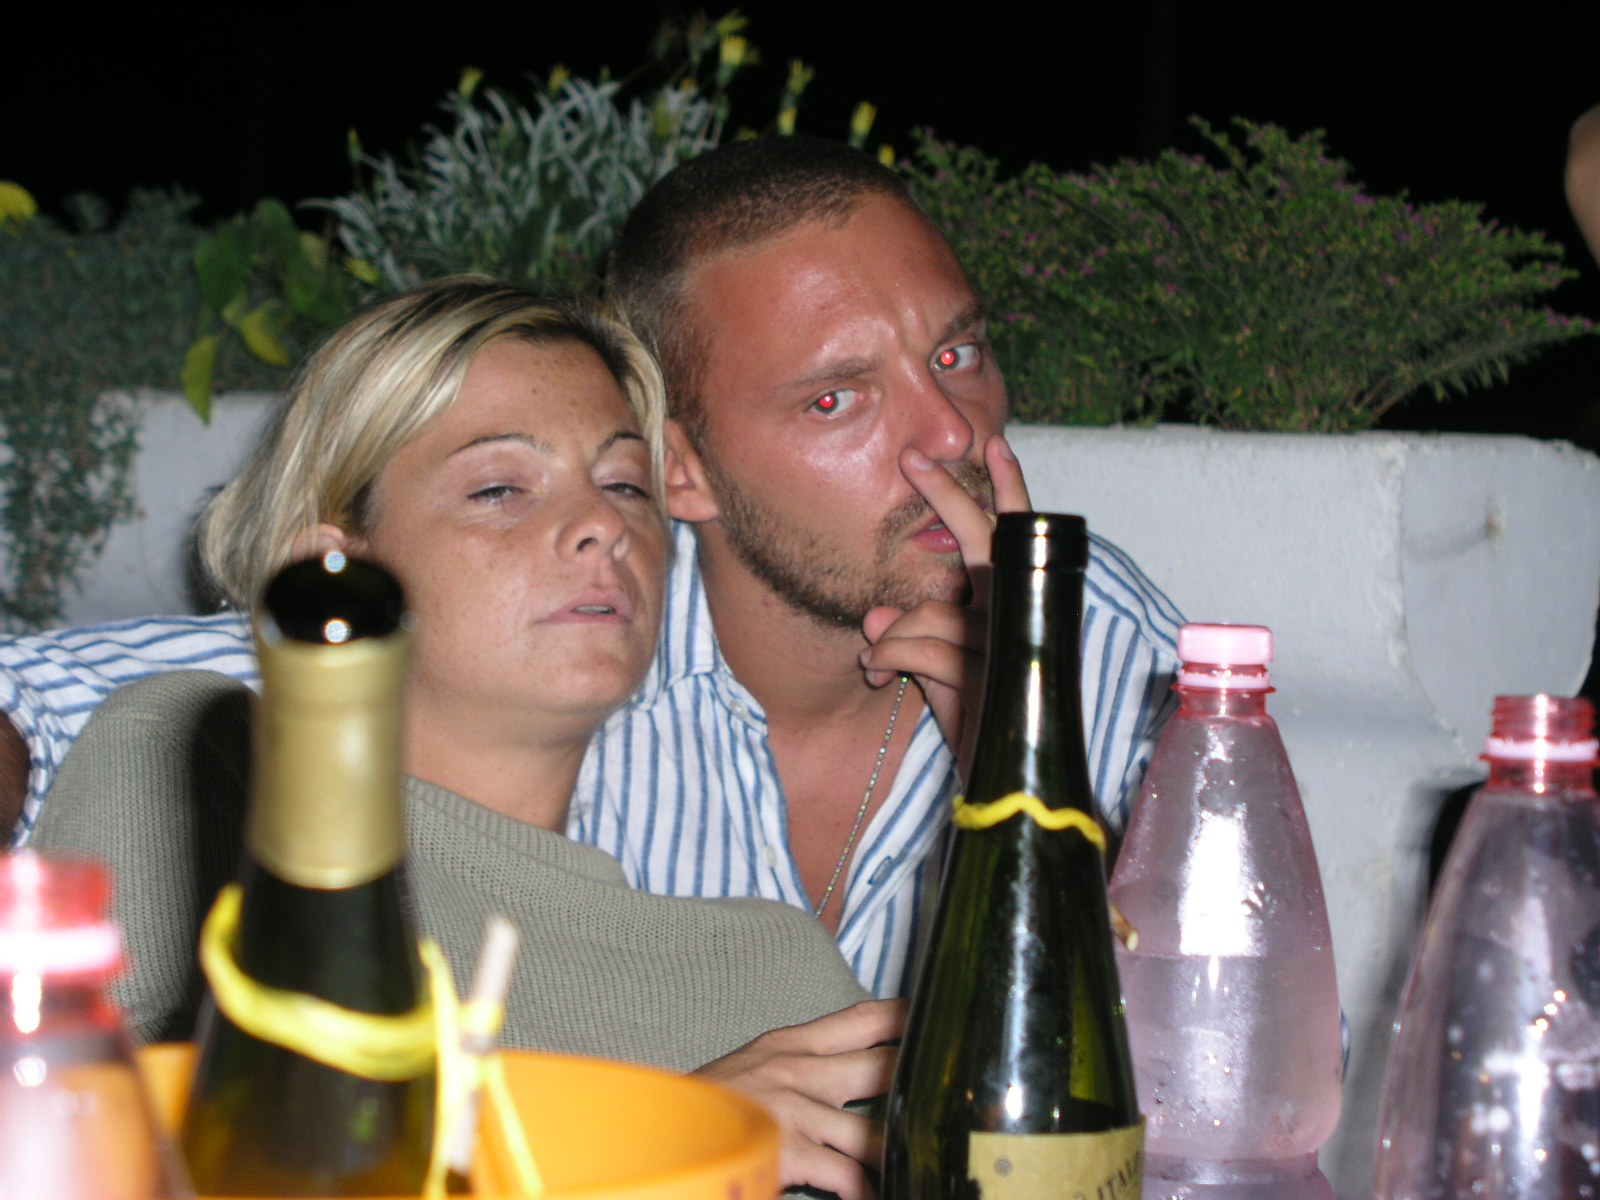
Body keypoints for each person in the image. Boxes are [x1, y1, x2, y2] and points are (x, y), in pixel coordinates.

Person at [0, 137, 1182, 999]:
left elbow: (1223, 1051)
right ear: (683, 471)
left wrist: (1027, 770)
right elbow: (72, 704)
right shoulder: (572, 629)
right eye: (836, 398)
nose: (954, 435)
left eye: (958, 355)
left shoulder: (1093, 633)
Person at [28, 279, 893, 1199]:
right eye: (499, 488)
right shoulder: (206, 780)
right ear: (335, 569)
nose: (604, 526)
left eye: (625, 485)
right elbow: (81, 1166)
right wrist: (665, 1139)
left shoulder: (777, 986)